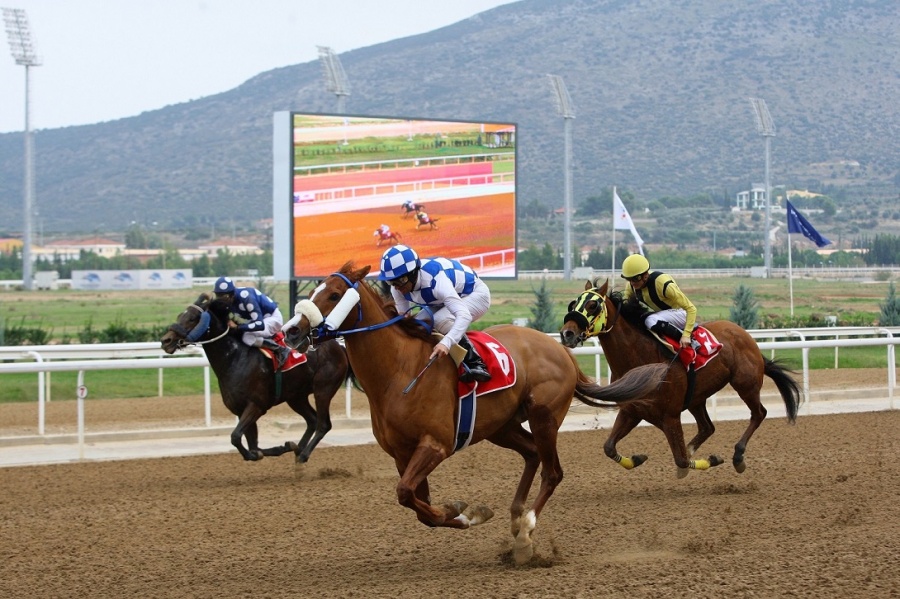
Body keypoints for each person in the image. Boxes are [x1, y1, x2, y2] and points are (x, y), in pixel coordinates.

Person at [378, 244, 491, 383]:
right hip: (441, 301)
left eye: (401, 280)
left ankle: (476, 363)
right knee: (417, 325)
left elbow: (464, 315)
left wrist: (446, 343)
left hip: (475, 295)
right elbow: (404, 317)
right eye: (391, 281)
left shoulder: (436, 281)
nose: (397, 286)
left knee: (439, 320)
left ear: (414, 273)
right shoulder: (397, 288)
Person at [620, 254, 697, 352]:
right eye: (629, 279)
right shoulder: (631, 286)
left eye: (636, 278)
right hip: (665, 316)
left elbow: (691, 309)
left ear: (645, 275)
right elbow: (625, 307)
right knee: (641, 318)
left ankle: (690, 341)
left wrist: (686, 335)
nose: (632, 283)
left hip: (682, 314)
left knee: (650, 320)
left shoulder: (662, 283)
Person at [212, 276, 290, 366]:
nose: (221, 300)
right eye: (218, 296)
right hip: (262, 320)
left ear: (231, 294)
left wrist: (237, 327)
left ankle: (281, 349)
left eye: (223, 296)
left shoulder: (246, 297)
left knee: (247, 337)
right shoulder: (230, 300)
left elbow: (259, 324)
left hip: (273, 319)